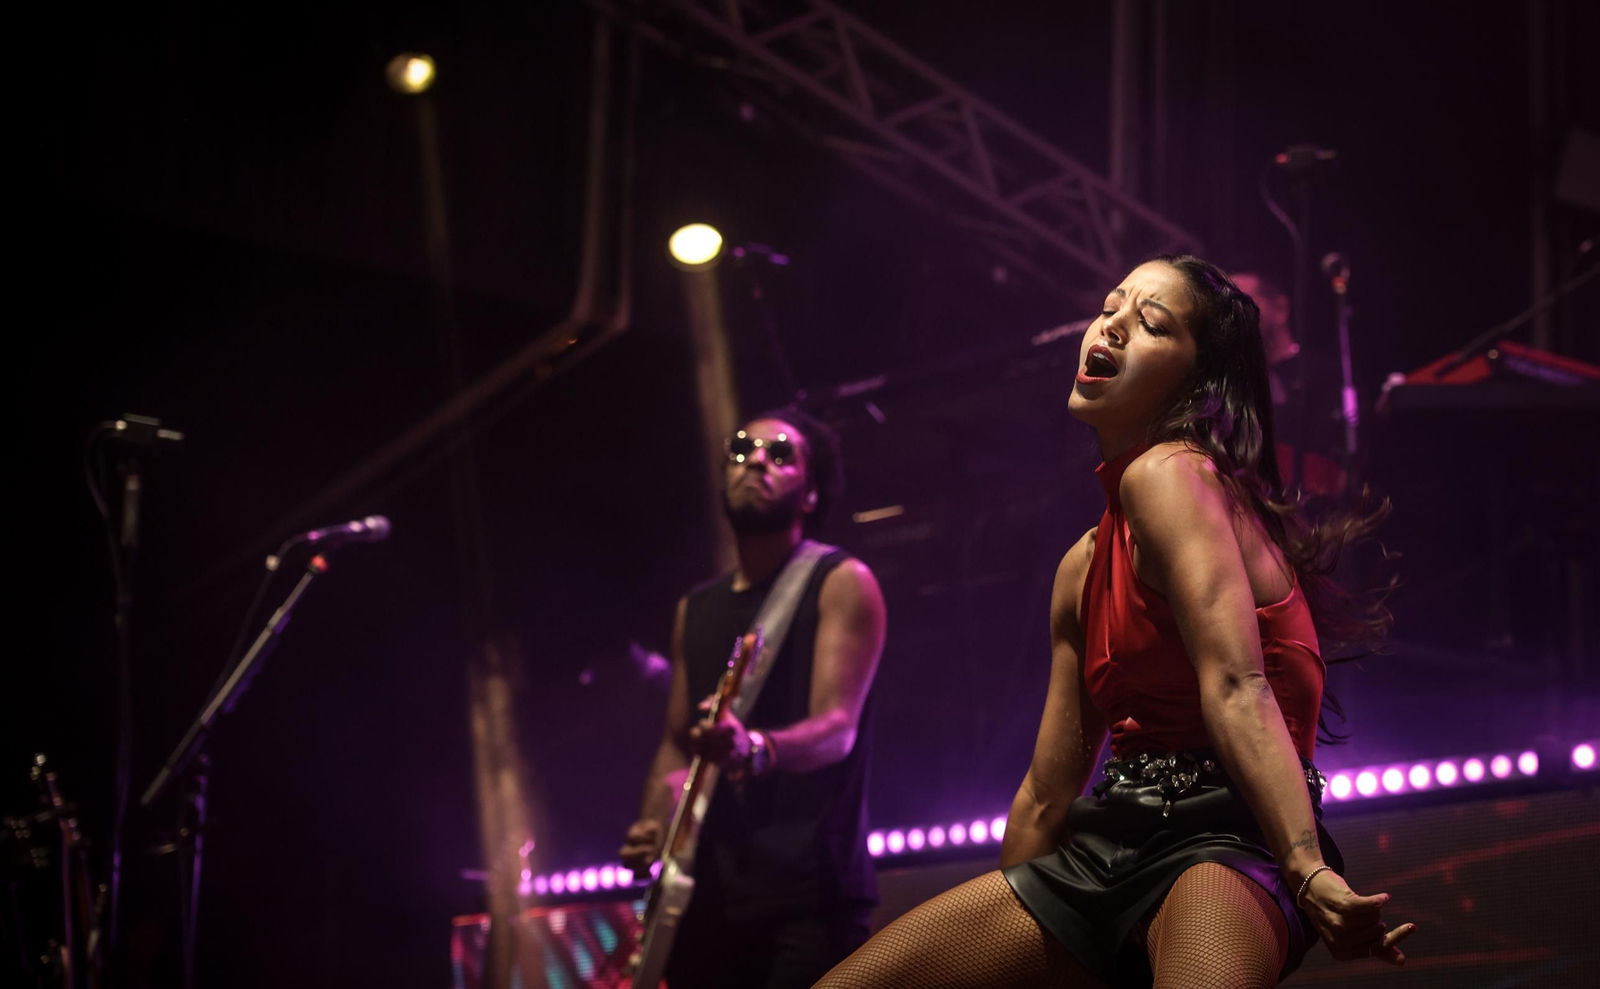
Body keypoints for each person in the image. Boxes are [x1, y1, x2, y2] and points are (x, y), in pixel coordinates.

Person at [815, 256, 1411, 988]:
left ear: (1198, 382)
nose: (1114, 326)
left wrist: (1306, 867)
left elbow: (1238, 684)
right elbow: (1045, 795)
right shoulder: (1082, 564)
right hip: (1104, 848)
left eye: (1152, 323)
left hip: (1225, 840)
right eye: (1110, 308)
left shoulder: (1173, 474)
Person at [620, 407, 889, 988]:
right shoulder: (694, 608)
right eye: (741, 450)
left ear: (811, 493)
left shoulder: (841, 581)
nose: (756, 462)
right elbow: (675, 745)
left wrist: (757, 748)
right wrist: (652, 823)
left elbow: (837, 728)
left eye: (780, 454)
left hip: (808, 897)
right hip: (704, 901)